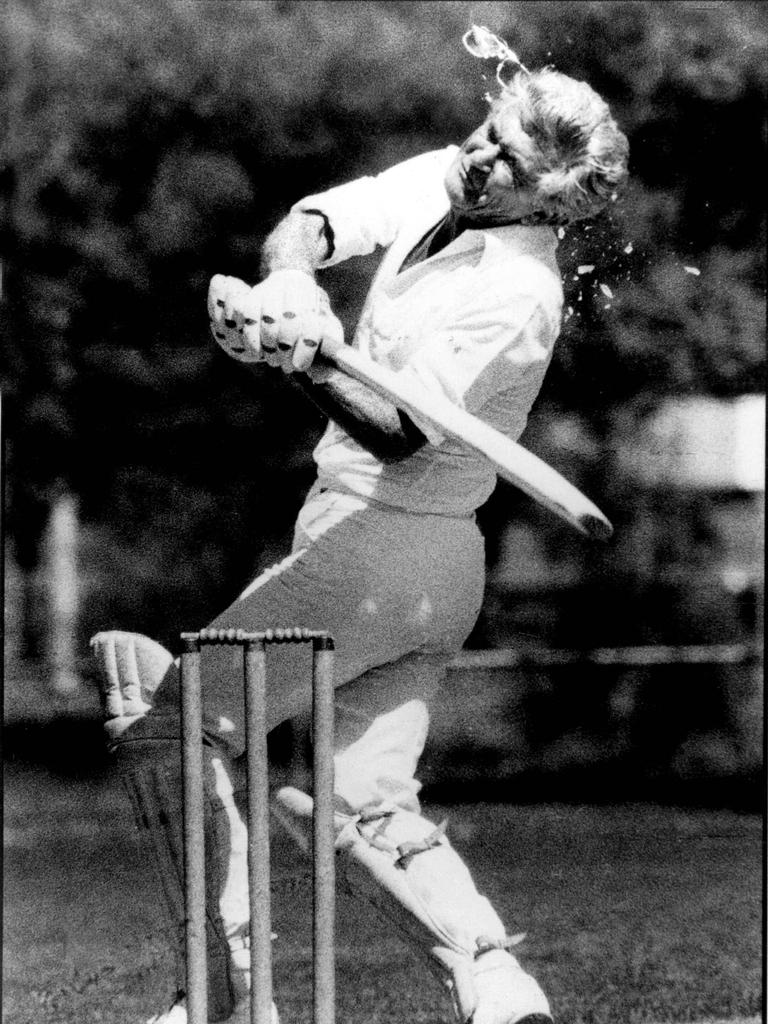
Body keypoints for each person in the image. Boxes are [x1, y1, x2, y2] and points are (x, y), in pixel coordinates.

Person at [92, 58, 628, 1024]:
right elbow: (314, 221)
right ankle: (498, 986)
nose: (478, 157)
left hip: (390, 543)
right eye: (486, 133)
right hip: (399, 552)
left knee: (175, 721)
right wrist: (292, 285)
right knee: (363, 801)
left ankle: (223, 992)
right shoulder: (451, 177)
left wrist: (289, 353)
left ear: (552, 202)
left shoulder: (520, 293)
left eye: (506, 160)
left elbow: (397, 430)